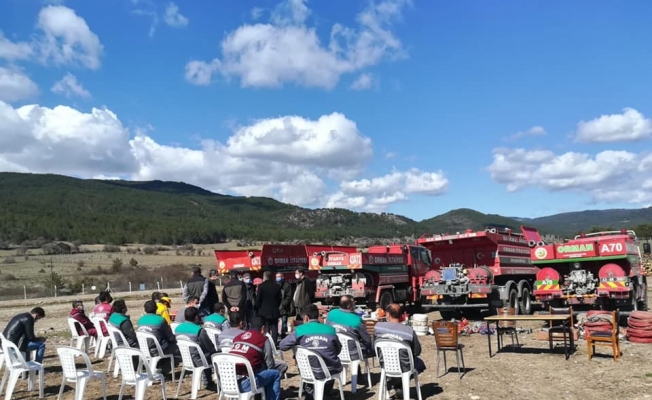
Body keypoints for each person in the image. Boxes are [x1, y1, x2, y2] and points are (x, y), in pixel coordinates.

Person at [280, 304, 342, 400]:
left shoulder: (299, 330)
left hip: (308, 370)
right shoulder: (330, 330)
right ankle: (326, 391)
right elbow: (338, 349)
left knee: (309, 365)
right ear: (317, 316)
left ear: (306, 318)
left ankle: (311, 391)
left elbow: (282, 346)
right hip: (330, 370)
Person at [230, 316, 282, 400]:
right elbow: (270, 364)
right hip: (245, 383)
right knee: (275, 374)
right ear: (263, 328)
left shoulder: (238, 337)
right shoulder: (263, 340)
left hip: (229, 381)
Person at [175, 307, 218, 390]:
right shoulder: (199, 330)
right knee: (212, 354)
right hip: (199, 360)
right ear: (196, 317)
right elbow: (209, 346)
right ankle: (209, 382)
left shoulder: (177, 328)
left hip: (186, 359)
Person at [137, 300, 180, 373]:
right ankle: (163, 370)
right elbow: (170, 337)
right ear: (156, 308)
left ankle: (158, 366)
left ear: (145, 309)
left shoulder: (140, 320)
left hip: (144, 348)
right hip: (157, 349)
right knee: (178, 349)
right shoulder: (160, 320)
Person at [325, 295, 373, 361]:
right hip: (353, 354)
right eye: (353, 303)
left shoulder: (331, 314)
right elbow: (367, 341)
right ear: (349, 306)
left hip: (334, 351)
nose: (354, 304)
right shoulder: (356, 320)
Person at [256, 271, 282, 345]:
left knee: (266, 327)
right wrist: (276, 305)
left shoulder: (261, 286)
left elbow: (258, 299)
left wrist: (258, 307)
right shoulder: (277, 286)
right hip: (274, 310)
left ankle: (267, 343)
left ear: (264, 277)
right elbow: (280, 298)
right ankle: (274, 343)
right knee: (274, 327)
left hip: (263, 311)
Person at [276, 272, 293, 339]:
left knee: (284, 322)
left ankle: (283, 335)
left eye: (279, 276)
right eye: (276, 277)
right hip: (276, 307)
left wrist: (283, 305)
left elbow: (289, 297)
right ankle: (276, 335)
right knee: (275, 322)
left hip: (284, 307)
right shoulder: (275, 285)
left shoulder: (287, 285)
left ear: (282, 277)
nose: (277, 278)